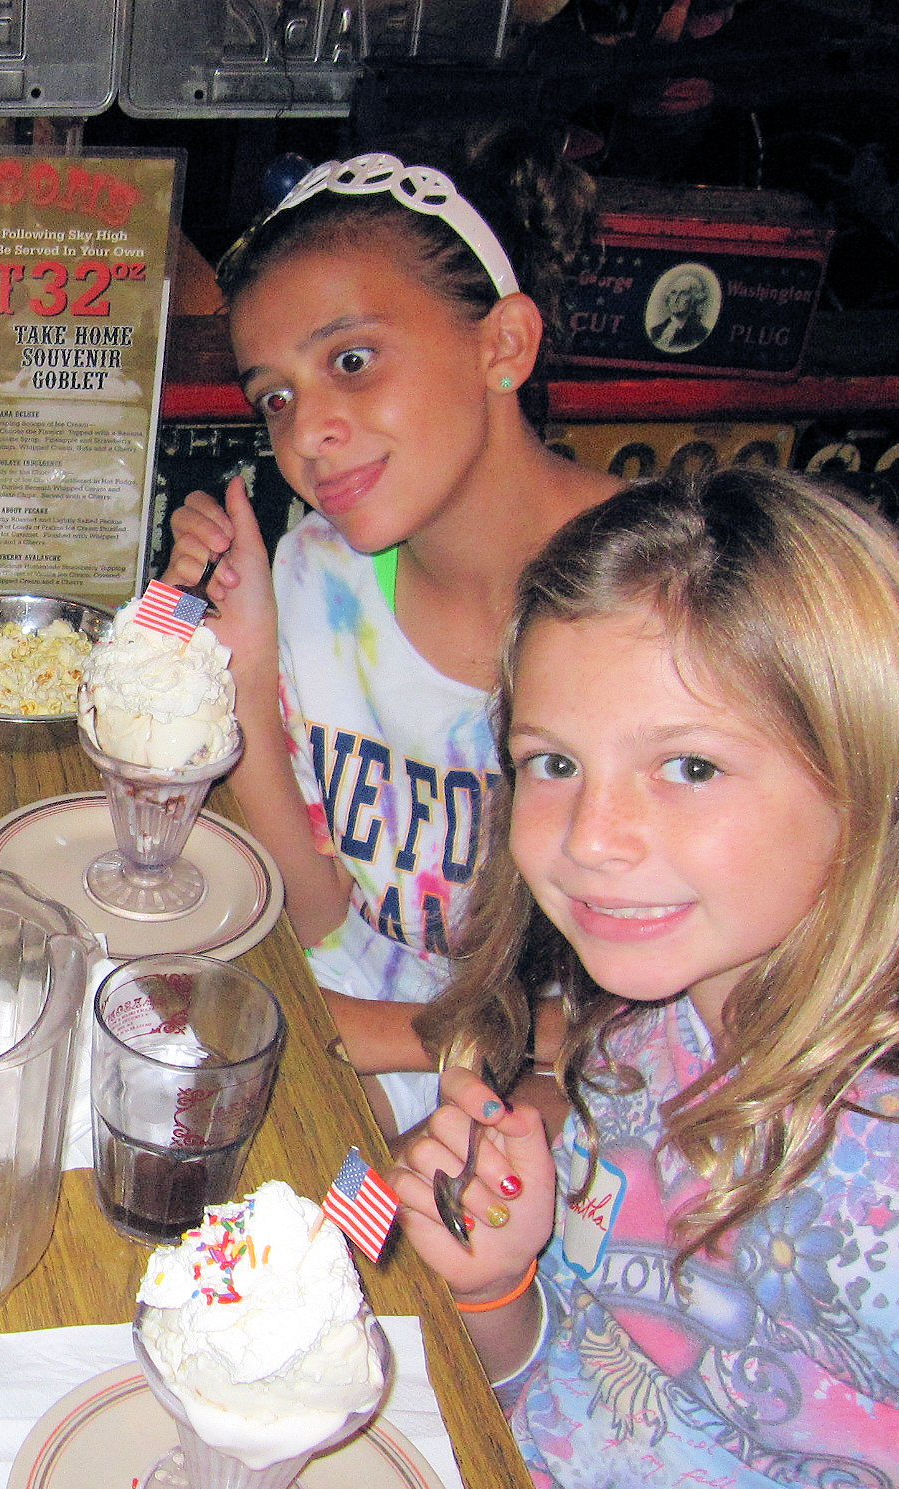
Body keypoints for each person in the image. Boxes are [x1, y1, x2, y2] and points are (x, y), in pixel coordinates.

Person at [390, 468, 899, 1489]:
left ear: (864, 777)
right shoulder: (643, 1023)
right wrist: (498, 1288)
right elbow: (589, 1394)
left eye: (688, 768)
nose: (591, 837)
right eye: (552, 762)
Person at [162, 134, 621, 1135]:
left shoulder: (669, 601)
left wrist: (373, 1038)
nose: (306, 433)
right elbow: (326, 915)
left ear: (503, 345)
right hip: (378, 1040)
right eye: (275, 398)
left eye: (352, 361)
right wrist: (247, 677)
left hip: (589, 1096)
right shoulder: (316, 579)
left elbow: (655, 1027)